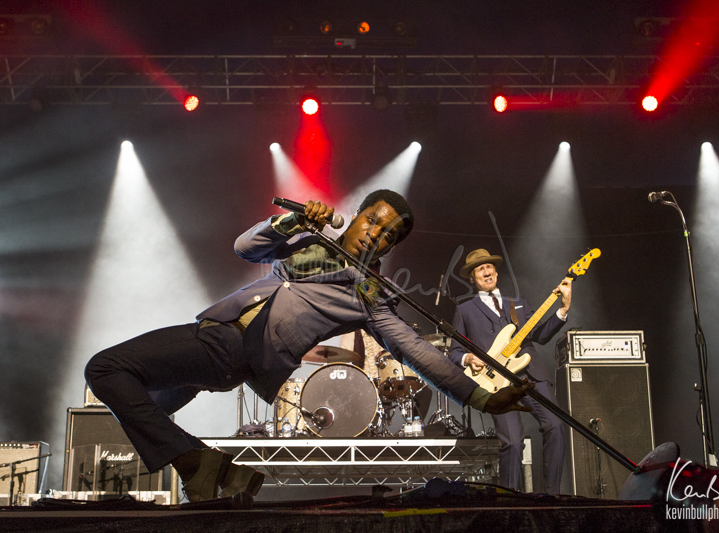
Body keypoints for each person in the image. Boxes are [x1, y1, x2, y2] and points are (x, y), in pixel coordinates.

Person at [85, 190, 535, 502]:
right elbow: (246, 247)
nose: (374, 233)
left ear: (389, 247)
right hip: (215, 335)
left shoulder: (370, 295)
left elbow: (415, 350)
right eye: (372, 220)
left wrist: (480, 397)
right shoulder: (309, 240)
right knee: (144, 409)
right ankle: (219, 472)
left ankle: (197, 465)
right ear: (355, 216)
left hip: (228, 348)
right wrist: (294, 220)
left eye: (387, 234)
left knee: (104, 369)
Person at [448, 248, 572, 493]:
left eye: (489, 267)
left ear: (496, 272)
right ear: (472, 278)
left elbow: (541, 336)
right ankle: (508, 499)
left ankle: (552, 496)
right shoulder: (465, 310)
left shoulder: (518, 304)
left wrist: (563, 309)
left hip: (532, 375)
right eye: (480, 269)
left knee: (556, 426)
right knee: (513, 442)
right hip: (497, 383)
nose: (487, 271)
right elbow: (454, 352)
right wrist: (467, 358)